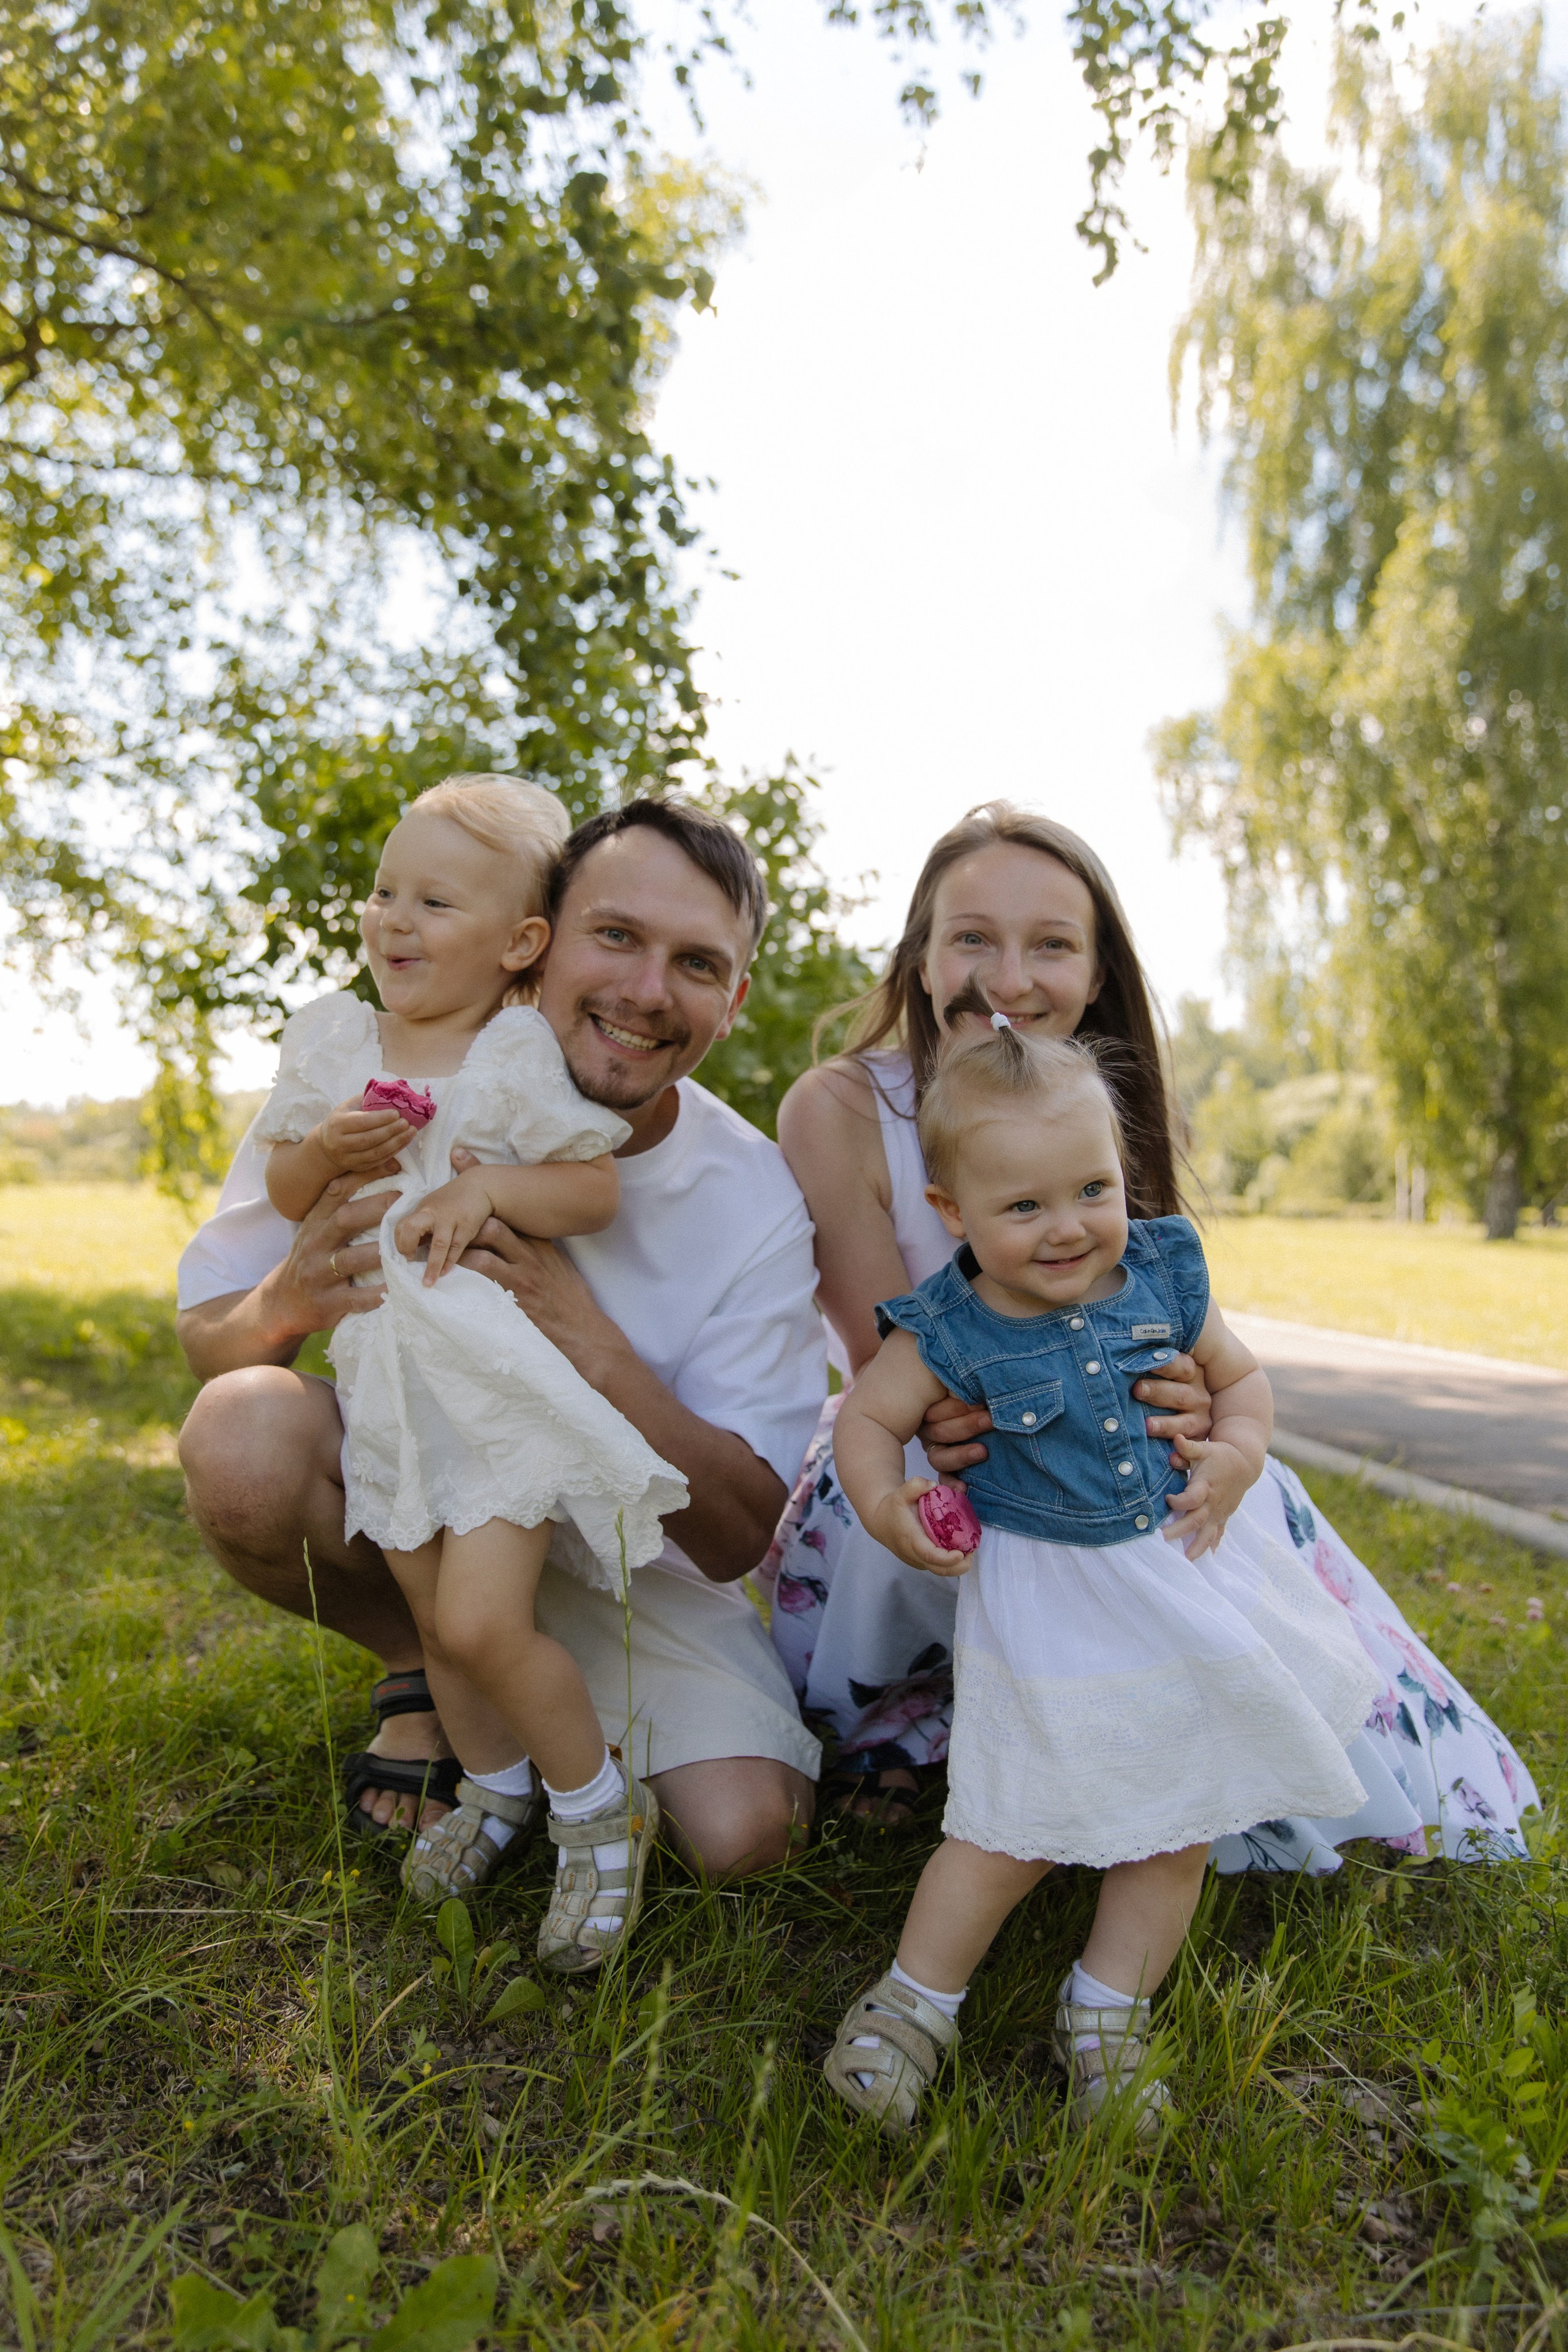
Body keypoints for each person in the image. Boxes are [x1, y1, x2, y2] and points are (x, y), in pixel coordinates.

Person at [769, 801, 1539, 1869]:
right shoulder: (844, 1107)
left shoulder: (1098, 1102)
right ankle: (913, 1725)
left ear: (1096, 976)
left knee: (1227, 1499)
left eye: (1052, 945)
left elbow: (1164, 1319)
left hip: (1108, 1429)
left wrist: (1192, 1396)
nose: (1009, 978)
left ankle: (1241, 1744)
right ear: (921, 958)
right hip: (935, 1435)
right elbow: (886, 1365)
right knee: (926, 1493)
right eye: (973, 938)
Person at [176, 793, 826, 1891]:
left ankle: (540, 1720)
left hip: (635, 1573)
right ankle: (426, 1673)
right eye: (615, 935)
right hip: (426, 1498)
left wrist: (592, 1347)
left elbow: (735, 1537)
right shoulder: (380, 1083)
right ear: (542, 941)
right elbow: (209, 1341)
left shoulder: (755, 1194)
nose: (645, 991)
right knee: (240, 1434)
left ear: (734, 1000)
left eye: (696, 964)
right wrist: (288, 1296)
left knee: (748, 1838)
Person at [820, 1009, 1380, 2135]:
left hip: (1181, 1579)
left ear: (1123, 1173)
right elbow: (866, 1423)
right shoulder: (946, 1329)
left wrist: (1235, 1456)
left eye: (1092, 1190)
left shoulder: (1163, 1275)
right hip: (1053, 1608)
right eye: (1024, 1207)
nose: (1070, 1227)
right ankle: (913, 2005)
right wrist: (885, 1505)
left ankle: (1108, 2014)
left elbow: (1245, 1382)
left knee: (1180, 1820)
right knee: (1007, 1827)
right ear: (953, 1213)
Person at [255, 774, 687, 1972]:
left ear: (520, 943)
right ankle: (496, 1786)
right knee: (434, 1619)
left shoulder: (511, 1053)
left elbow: (589, 1188)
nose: (395, 919)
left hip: (490, 1386)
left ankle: (598, 1809)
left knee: (486, 1619)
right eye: (386, 891)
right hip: (388, 1385)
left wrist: (488, 1184)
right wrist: (327, 1150)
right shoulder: (337, 1043)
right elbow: (286, 1186)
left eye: (435, 902)